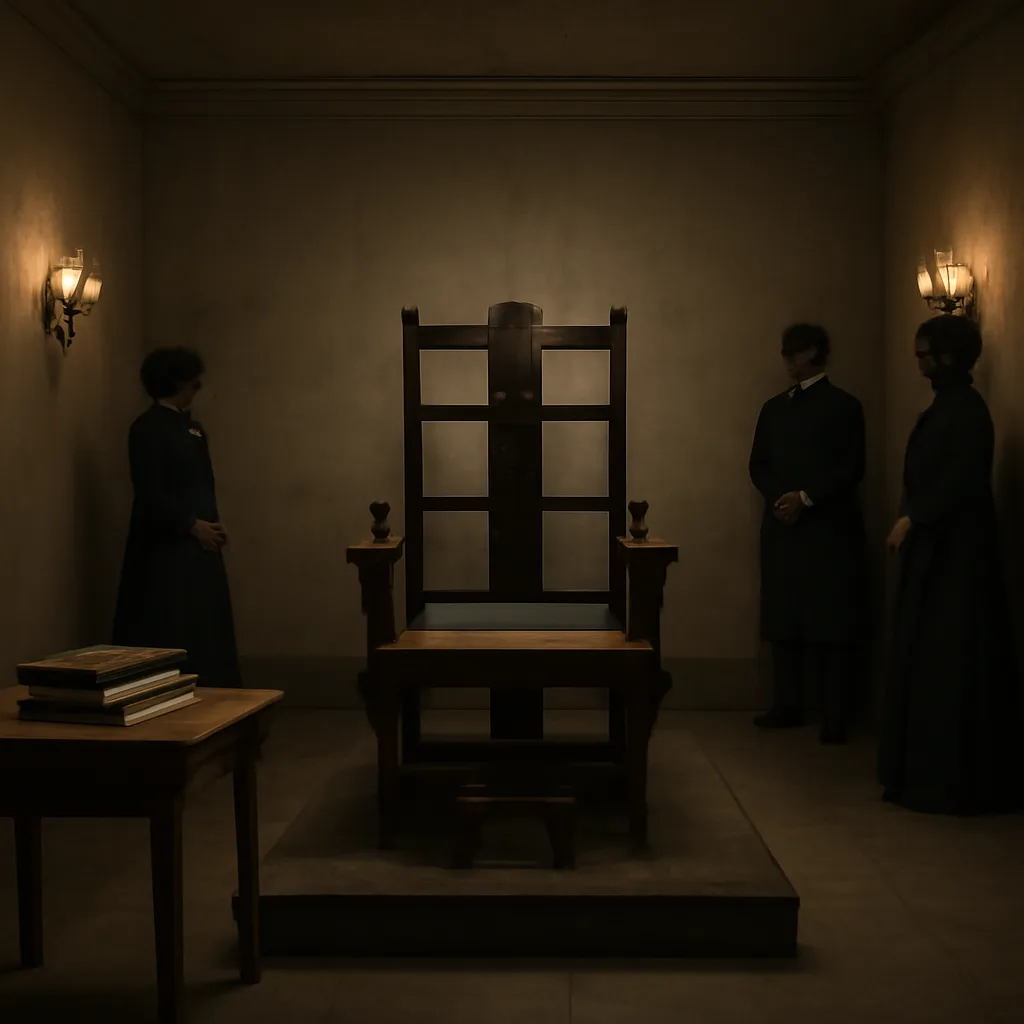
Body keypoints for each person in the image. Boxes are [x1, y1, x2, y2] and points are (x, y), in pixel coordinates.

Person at [879, 315, 1021, 814]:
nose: (919, 365)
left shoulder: (966, 411)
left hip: (958, 557)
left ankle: (948, 779)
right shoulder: (951, 407)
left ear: (950, 356)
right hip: (941, 551)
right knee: (930, 656)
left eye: (926, 355)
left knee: (949, 661)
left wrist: (914, 517)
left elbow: (959, 480)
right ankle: (923, 774)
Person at [748, 323, 868, 743]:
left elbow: (851, 467)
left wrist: (807, 497)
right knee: (784, 616)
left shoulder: (844, 406)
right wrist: (781, 497)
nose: (785, 360)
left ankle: (836, 714)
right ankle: (787, 705)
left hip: (829, 530)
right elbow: (757, 464)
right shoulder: (773, 408)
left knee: (830, 622)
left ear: (812, 352)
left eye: (791, 352)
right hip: (784, 526)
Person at [112, 346, 242, 687]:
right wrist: (190, 524)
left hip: (200, 541)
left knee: (206, 626)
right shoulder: (147, 429)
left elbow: (201, 485)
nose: (198, 387)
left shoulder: (192, 429)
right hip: (167, 548)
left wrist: (213, 523)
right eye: (192, 382)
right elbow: (150, 492)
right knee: (172, 622)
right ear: (175, 382)